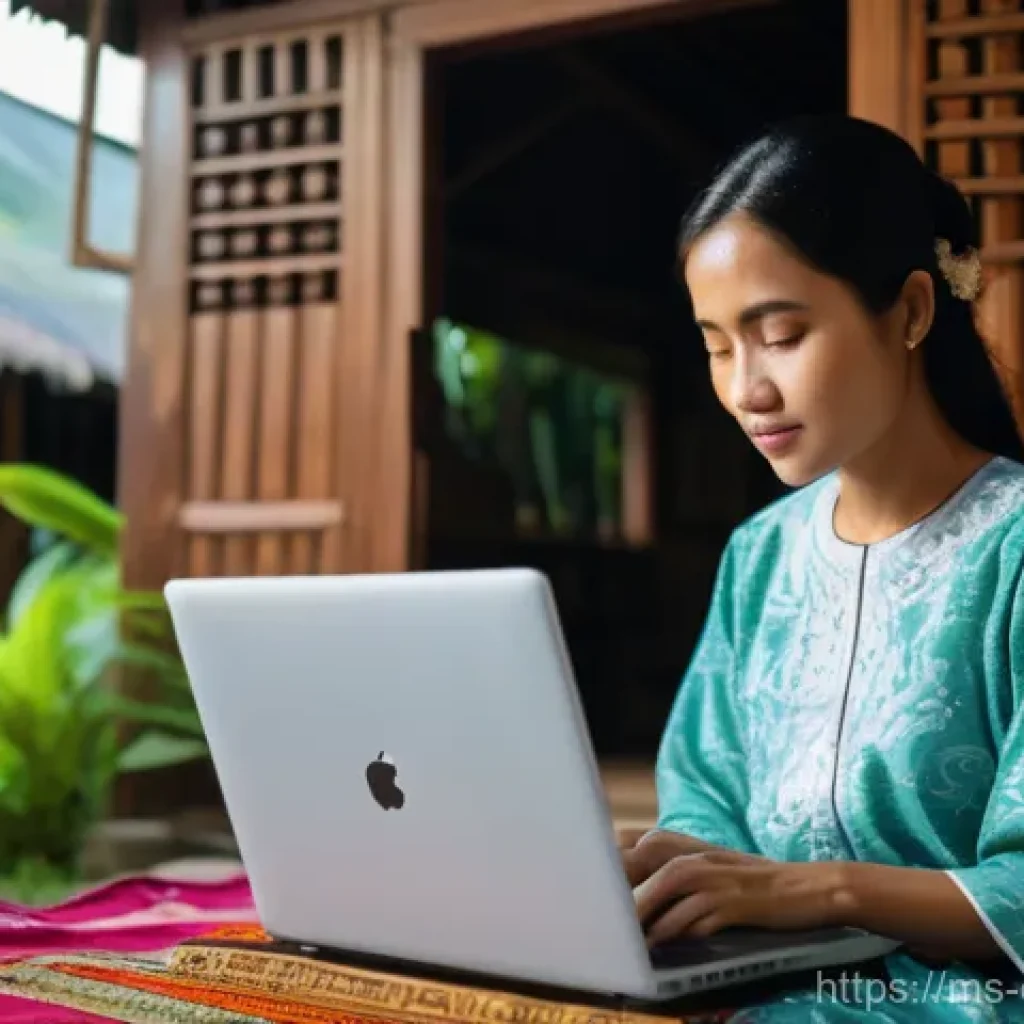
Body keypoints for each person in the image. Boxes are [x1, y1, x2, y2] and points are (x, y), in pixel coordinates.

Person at [621, 114, 1024, 1022]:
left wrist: (828, 892)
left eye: (782, 334)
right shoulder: (759, 554)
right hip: (755, 985)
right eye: (718, 346)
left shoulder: (1017, 547)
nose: (745, 390)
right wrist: (670, 865)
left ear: (913, 311)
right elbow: (711, 796)